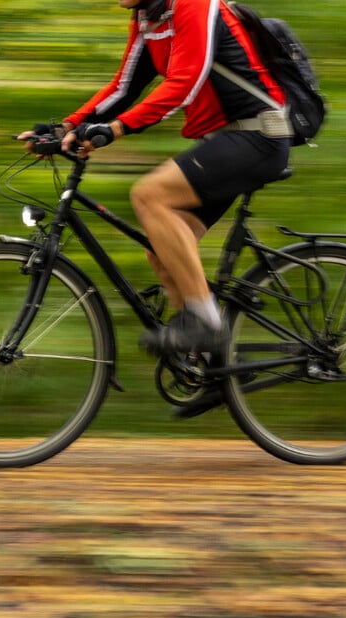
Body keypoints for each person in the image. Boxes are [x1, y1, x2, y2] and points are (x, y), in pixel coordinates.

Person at [19, 0, 291, 357]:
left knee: (149, 196)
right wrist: (66, 127)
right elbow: (124, 87)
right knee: (161, 251)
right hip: (224, 141)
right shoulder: (147, 17)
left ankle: (207, 325)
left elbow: (183, 85)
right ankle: (213, 365)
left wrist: (115, 129)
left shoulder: (195, 6)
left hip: (258, 135)